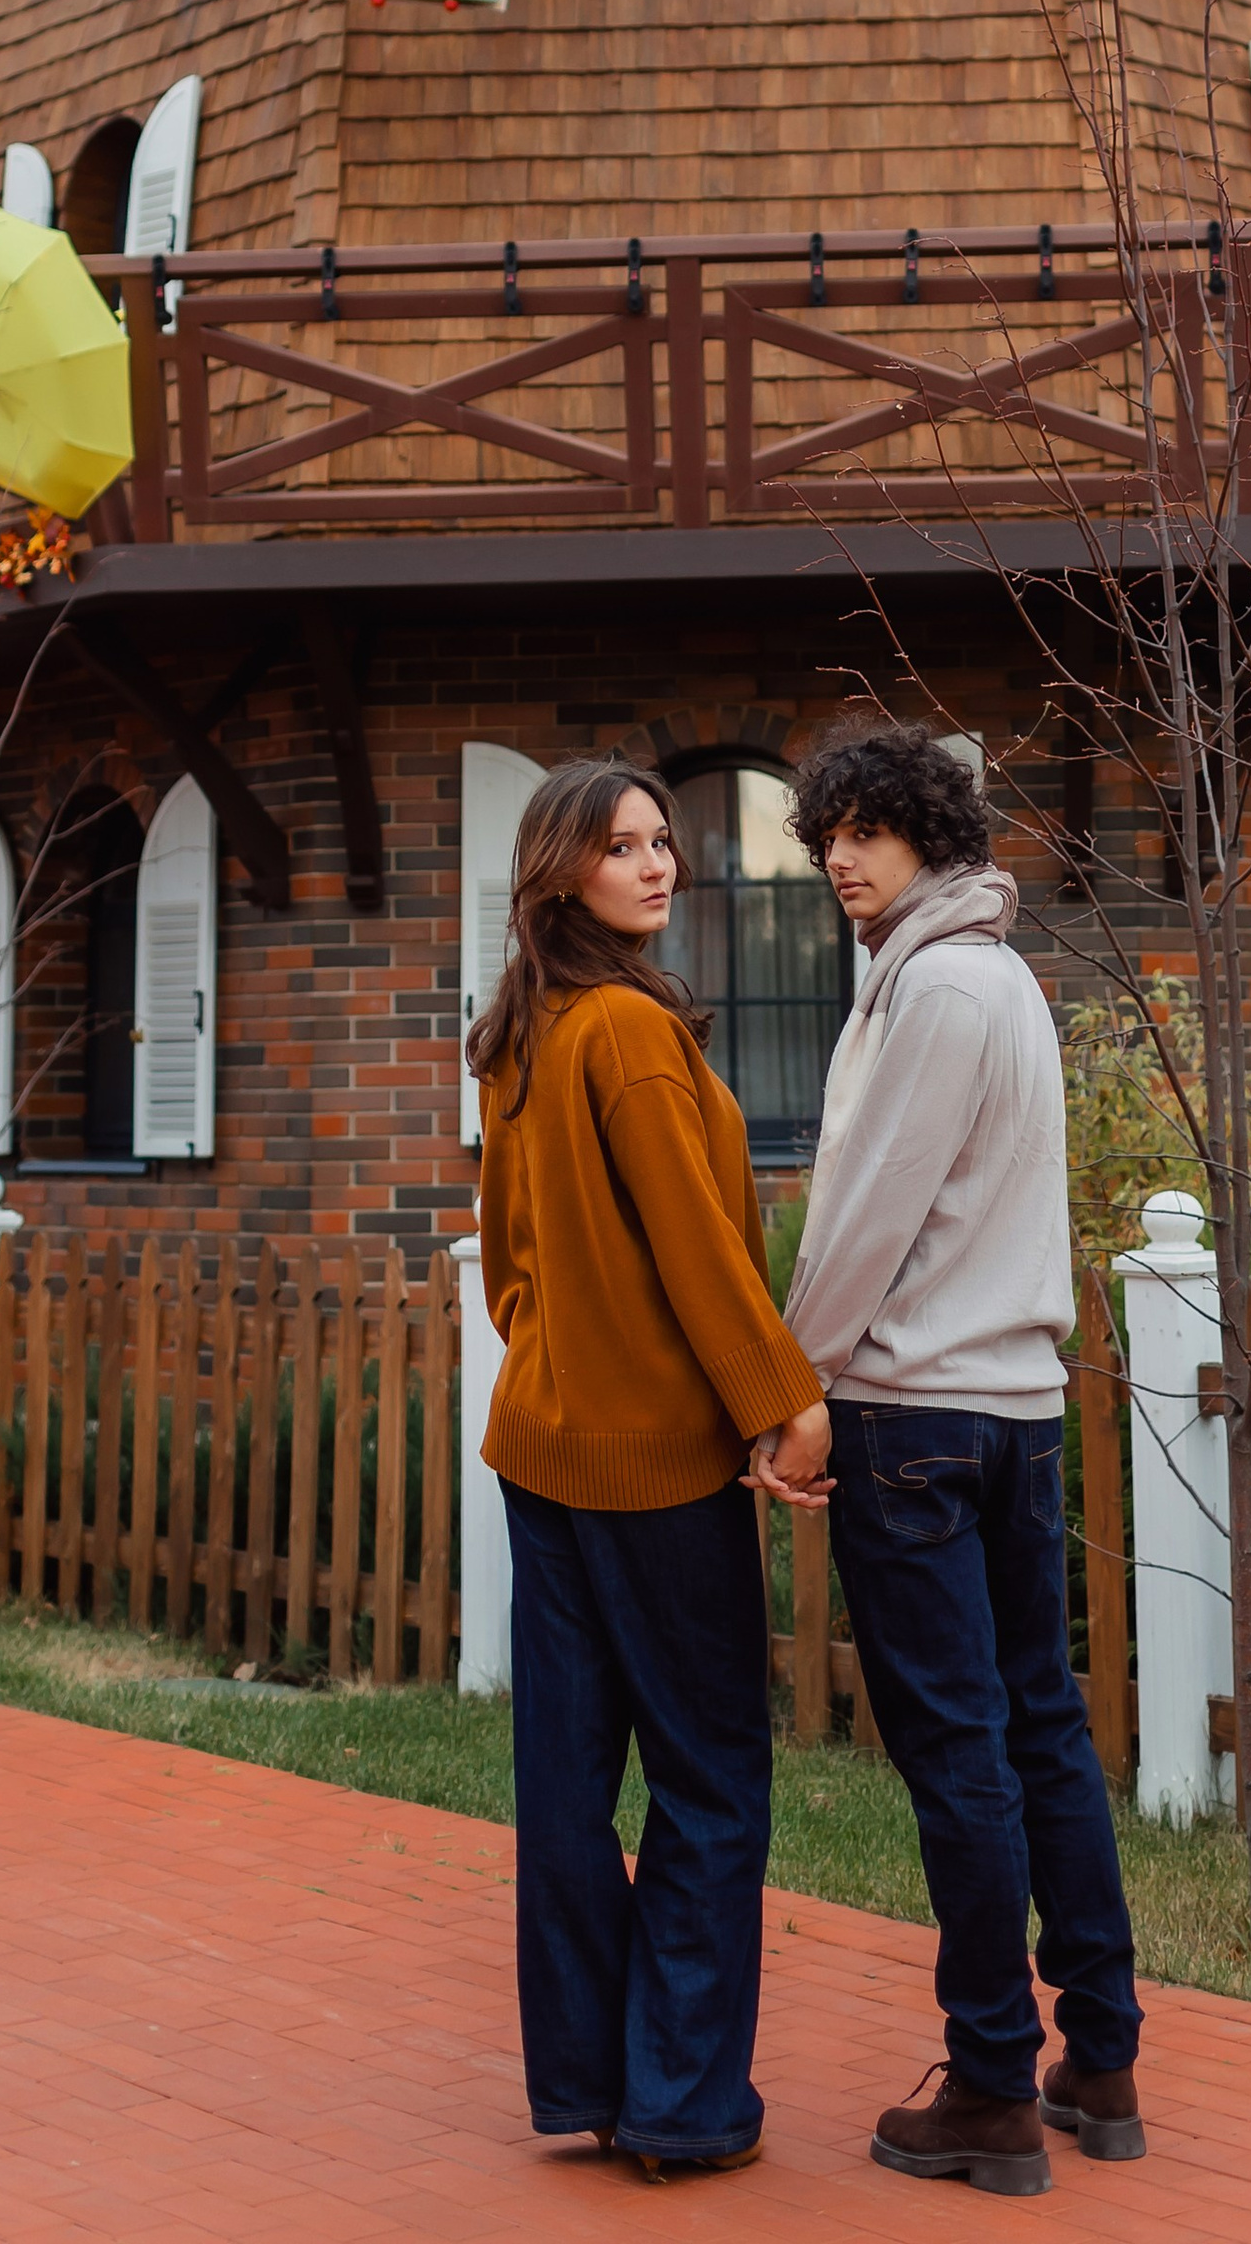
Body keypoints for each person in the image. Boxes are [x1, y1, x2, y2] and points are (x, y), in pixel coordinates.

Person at [759, 719, 1145, 2196]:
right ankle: (1098, 2056)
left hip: (911, 1415)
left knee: (966, 1751)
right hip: (1017, 1410)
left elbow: (867, 1215)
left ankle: (992, 2080)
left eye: (866, 828)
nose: (842, 858)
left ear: (931, 828)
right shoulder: (1007, 981)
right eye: (826, 837)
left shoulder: (934, 988)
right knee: (1040, 1726)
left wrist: (788, 1383)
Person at [470, 754, 830, 2180]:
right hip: (654, 1469)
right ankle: (681, 2099)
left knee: (566, 1780)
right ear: (563, 868)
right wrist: (784, 1402)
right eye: (623, 845)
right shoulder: (621, 1027)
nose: (659, 862)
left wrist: (560, 1351)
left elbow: (508, 1269)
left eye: (664, 839)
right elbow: (696, 1245)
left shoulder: (524, 1027)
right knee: (711, 1778)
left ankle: (593, 2080)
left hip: (541, 1445)